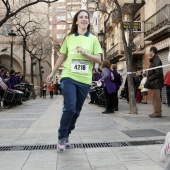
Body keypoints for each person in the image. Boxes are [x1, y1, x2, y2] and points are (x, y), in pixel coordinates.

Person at [46, 10, 102, 151]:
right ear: (76, 21)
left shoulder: (93, 39)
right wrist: (52, 73)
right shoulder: (69, 38)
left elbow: (99, 59)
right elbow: (62, 57)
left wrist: (85, 52)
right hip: (69, 76)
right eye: (81, 17)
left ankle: (67, 134)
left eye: (86, 17)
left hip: (84, 80)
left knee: (76, 111)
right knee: (70, 107)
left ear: (88, 21)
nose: (84, 19)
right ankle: (61, 135)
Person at [144, 46, 164, 118]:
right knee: (154, 98)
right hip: (154, 83)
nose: (149, 53)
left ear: (152, 51)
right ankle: (156, 111)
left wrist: (149, 78)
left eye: (150, 51)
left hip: (156, 83)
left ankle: (157, 113)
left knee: (156, 98)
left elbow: (158, 73)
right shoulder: (154, 60)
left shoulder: (157, 60)